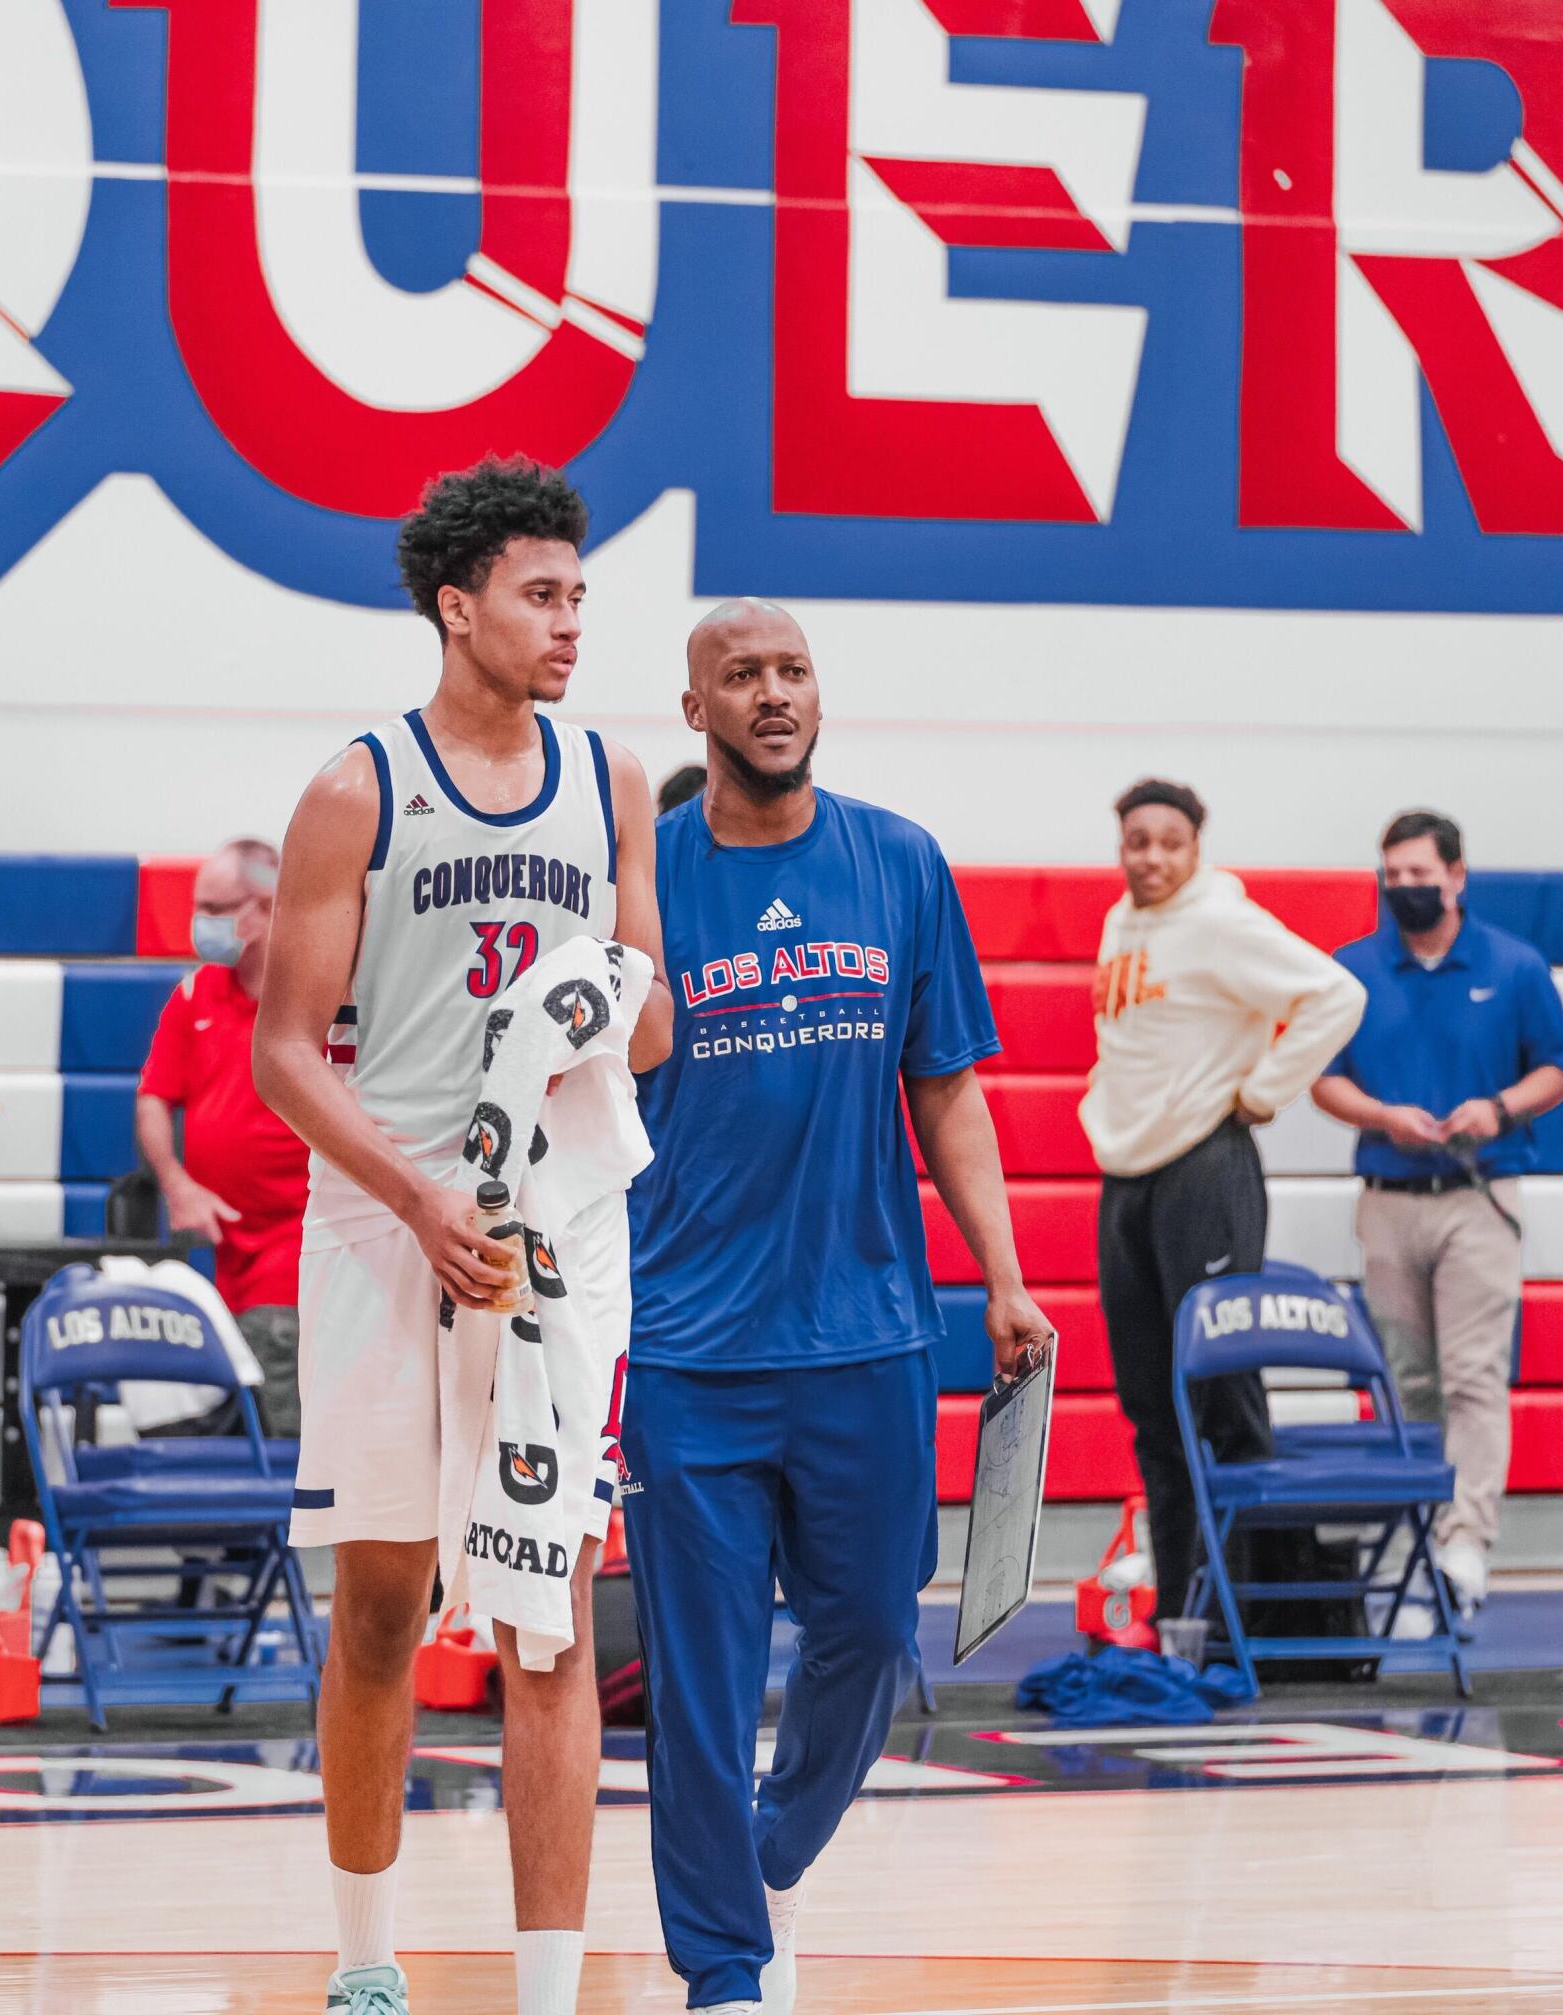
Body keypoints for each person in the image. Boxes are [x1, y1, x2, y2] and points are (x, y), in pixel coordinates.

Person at [252, 457, 672, 2015]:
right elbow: (285, 1049)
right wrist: (424, 1192)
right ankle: (369, 1962)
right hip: (387, 1212)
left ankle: (548, 1987)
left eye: (579, 597)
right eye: (542, 595)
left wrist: (601, 1011)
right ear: (457, 604)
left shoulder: (614, 776)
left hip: (552, 1228)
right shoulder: (358, 786)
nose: (571, 625)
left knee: (550, 1610)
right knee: (381, 1600)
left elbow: (653, 1016)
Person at [623, 598, 1053, 2015]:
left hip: (867, 1331)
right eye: (739, 675)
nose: (772, 694)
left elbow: (949, 1086)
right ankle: (725, 1966)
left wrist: (1000, 1271)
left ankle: (771, 1853)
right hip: (692, 1343)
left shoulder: (900, 861)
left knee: (873, 1626)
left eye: (792, 671)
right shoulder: (642, 879)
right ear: (698, 710)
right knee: (699, 1675)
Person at [1081, 779, 1365, 1626]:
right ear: (1121, 845)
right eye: (1138, 841)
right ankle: (1181, 1608)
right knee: (1149, 1402)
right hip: (1127, 1174)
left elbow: (1336, 995)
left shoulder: (1219, 920)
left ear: (1196, 846)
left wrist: (1265, 1088)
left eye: (1170, 841)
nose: (1153, 857)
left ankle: (1252, 1610)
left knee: (1220, 1391)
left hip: (1205, 1166)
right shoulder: (1120, 921)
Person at [1312, 810, 1563, 1611]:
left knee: (1473, 1376)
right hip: (1390, 1201)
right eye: (1392, 876)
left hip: (1477, 1195)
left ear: (1457, 876)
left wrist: (1497, 1107)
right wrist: (1383, 1115)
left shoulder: (1514, 966)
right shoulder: (1353, 968)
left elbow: (1561, 1069)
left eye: (1421, 876)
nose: (1406, 889)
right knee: (1405, 1379)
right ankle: (1414, 1530)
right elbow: (1323, 1077)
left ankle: (1465, 1542)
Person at [135, 837, 308, 1434]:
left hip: (297, 1238)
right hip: (218, 1248)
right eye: (198, 907)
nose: (199, 923)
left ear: (263, 908)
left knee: (276, 1372)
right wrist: (177, 1186)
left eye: (214, 908)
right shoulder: (194, 993)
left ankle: (293, 1528)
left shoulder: (317, 993)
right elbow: (155, 1098)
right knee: (207, 1406)